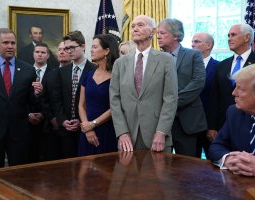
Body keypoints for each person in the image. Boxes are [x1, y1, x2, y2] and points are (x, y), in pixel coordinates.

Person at [110, 15, 178, 152]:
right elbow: (114, 100)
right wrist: (122, 132)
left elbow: (170, 99)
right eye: (133, 26)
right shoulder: (120, 63)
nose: (135, 29)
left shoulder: (166, 60)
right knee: (126, 174)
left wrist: (161, 132)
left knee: (159, 174)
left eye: (140, 25)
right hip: (127, 137)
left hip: (157, 136)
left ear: (153, 32)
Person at [207, 23, 255, 142]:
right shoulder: (221, 65)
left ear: (246, 37)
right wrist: (212, 126)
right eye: (228, 35)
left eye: (233, 35)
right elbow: (214, 97)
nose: (229, 38)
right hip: (223, 125)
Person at [0, 28, 42, 169]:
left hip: (19, 133)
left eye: (13, 43)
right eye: (6, 43)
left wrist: (36, 94)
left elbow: (32, 102)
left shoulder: (28, 69)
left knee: (19, 175)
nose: (10, 46)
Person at [157, 18, 206, 157]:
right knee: (160, 165)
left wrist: (171, 104)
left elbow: (198, 82)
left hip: (187, 121)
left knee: (188, 168)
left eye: (162, 33)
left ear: (176, 36)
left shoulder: (193, 55)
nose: (158, 36)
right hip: (161, 123)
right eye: (157, 33)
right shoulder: (156, 58)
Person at [53, 30, 96, 158]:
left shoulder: (94, 69)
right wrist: (63, 120)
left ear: (83, 46)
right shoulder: (62, 72)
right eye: (67, 48)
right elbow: (57, 99)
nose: (69, 51)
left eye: (72, 47)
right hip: (66, 129)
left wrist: (82, 120)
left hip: (87, 127)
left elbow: (94, 101)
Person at [78, 34, 119, 156]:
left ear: (106, 51)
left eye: (95, 47)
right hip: (86, 132)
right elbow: (81, 105)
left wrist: (93, 124)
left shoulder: (117, 76)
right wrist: (87, 127)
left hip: (107, 130)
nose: (91, 50)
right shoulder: (87, 75)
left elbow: (116, 106)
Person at [191, 32, 219, 158]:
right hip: (190, 125)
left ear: (208, 45)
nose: (192, 45)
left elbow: (219, 98)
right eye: (192, 42)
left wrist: (214, 126)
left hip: (210, 125)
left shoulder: (219, 67)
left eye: (196, 42)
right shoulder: (187, 66)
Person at [28, 42, 58, 162]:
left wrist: (43, 114)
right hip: (27, 122)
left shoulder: (54, 73)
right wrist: (28, 114)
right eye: (37, 52)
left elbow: (54, 99)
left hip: (47, 123)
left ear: (48, 55)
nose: (40, 55)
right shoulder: (25, 71)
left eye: (43, 52)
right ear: (33, 54)